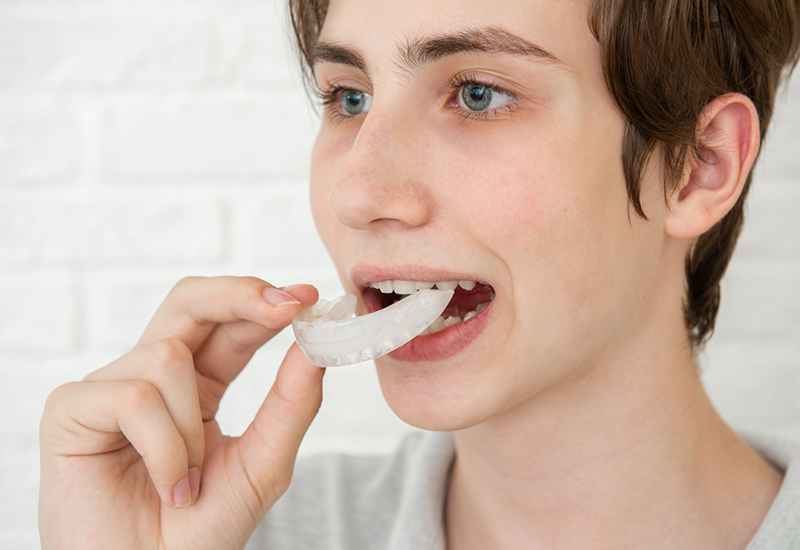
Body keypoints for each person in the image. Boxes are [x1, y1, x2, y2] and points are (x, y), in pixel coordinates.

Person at [38, 0, 800, 548]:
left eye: (478, 95)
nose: (357, 193)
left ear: (699, 168)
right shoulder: (229, 534)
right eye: (350, 97)